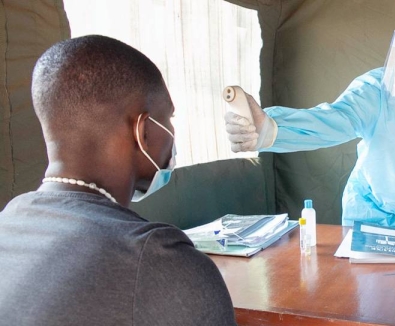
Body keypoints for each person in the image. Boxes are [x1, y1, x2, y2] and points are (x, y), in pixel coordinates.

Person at [0, 35, 237, 325]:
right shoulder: (161, 262)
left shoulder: (8, 222)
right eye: (169, 118)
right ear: (143, 131)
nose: (172, 133)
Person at [225, 11, 395, 232]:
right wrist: (272, 128)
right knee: (367, 294)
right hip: (368, 212)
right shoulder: (377, 89)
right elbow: (337, 118)